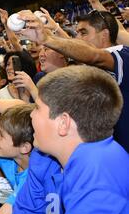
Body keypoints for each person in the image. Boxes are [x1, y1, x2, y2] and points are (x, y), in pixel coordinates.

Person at [0, 65, 129, 214]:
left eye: (37, 108)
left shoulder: (100, 177)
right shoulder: (43, 156)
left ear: (63, 123)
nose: (31, 114)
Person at [17, 9, 129, 152]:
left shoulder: (122, 53)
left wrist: (46, 38)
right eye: (77, 33)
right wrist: (51, 33)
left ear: (104, 35)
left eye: (84, 33)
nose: (78, 38)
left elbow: (93, 54)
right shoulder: (89, 65)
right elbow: (79, 49)